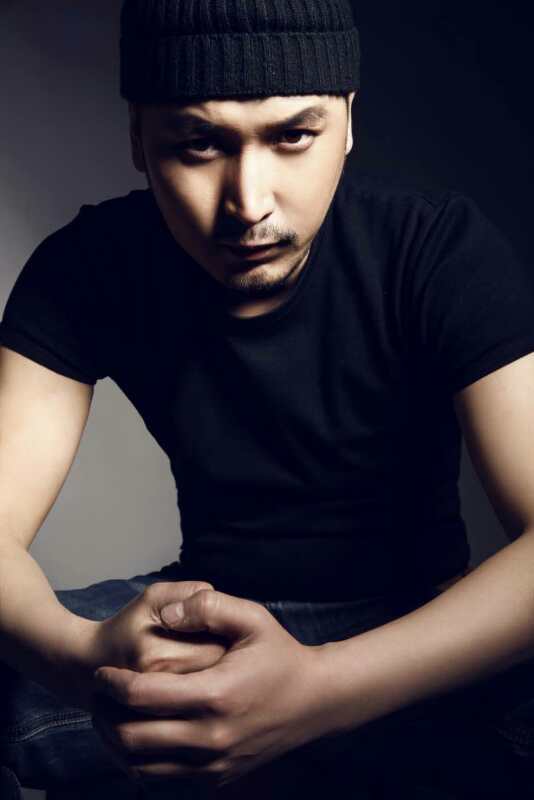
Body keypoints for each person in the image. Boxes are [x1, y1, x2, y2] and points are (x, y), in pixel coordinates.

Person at [1, 1, 534, 798]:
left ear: (347, 121)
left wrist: (316, 691)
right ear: (138, 140)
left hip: (415, 637)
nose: (248, 203)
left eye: (292, 137)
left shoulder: (434, 249)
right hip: (209, 627)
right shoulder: (87, 267)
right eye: (198, 144)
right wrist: (81, 661)